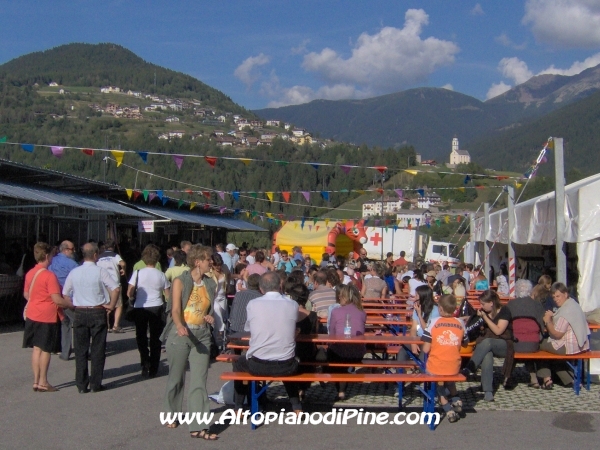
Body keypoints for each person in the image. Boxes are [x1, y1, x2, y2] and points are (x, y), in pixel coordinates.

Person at [162, 245, 218, 439]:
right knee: (176, 378)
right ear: (197, 262)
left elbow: (208, 310)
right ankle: (172, 414)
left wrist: (210, 318)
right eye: (208, 259)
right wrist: (178, 325)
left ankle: (199, 425)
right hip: (180, 335)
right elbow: (175, 309)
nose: (211, 262)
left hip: (202, 335)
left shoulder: (211, 283)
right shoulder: (180, 281)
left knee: (199, 381)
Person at [233, 271, 302, 413]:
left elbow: (248, 328)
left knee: (238, 362)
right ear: (280, 285)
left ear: (261, 288)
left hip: (258, 364)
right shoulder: (292, 304)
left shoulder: (253, 304)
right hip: (286, 365)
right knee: (289, 357)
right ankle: (296, 406)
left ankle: (238, 407)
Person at [63, 242, 120, 393]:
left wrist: (72, 305)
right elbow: (115, 288)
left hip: (80, 311)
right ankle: (96, 383)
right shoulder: (100, 271)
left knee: (81, 350)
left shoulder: (74, 272)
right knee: (98, 349)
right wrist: (112, 305)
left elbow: (65, 293)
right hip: (97, 310)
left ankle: (81, 384)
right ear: (95, 255)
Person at [23, 242, 74, 392]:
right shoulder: (49, 276)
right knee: (46, 349)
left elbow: (26, 294)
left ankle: (35, 380)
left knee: (36, 349)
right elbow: (57, 299)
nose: (53, 257)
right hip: (47, 316)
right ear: (46, 256)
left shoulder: (30, 273)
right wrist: (70, 305)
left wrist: (36, 300)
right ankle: (43, 381)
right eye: (51, 255)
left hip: (32, 314)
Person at [536, 282, 590, 389]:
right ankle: (570, 380)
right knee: (553, 354)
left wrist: (547, 321)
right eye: (554, 297)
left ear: (565, 294)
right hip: (582, 344)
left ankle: (547, 379)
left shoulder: (566, 311)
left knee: (539, 345)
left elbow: (557, 334)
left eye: (558, 296)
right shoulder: (574, 305)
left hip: (568, 346)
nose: (556, 299)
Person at [462, 290, 514, 401]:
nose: (481, 306)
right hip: (487, 345)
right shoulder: (483, 311)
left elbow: (498, 331)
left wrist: (485, 318)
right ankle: (488, 391)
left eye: (483, 304)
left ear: (491, 303)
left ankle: (469, 368)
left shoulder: (504, 311)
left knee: (488, 342)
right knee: (487, 355)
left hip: (504, 343)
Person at [127, 244, 170, 378]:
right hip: (157, 306)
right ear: (157, 259)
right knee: (156, 338)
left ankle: (145, 362)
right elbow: (167, 295)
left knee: (141, 336)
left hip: (141, 306)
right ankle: (154, 366)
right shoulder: (161, 274)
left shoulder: (138, 273)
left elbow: (129, 292)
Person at [421, 294, 465, 423]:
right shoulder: (460, 323)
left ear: (440, 308)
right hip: (454, 366)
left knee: (437, 383)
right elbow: (465, 343)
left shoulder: (434, 322)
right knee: (449, 378)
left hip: (436, 366)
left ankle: (448, 409)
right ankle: (457, 399)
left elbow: (425, 349)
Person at [327, 284, 367, 400]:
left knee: (334, 356)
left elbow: (332, 333)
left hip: (340, 352)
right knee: (341, 355)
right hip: (358, 352)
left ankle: (340, 391)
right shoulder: (362, 312)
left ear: (346, 297)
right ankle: (342, 389)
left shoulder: (335, 311)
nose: (339, 298)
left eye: (341, 296)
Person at [507, 279, 546, 388]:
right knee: (530, 347)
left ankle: (507, 377)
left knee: (514, 349)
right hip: (533, 344)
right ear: (530, 291)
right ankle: (534, 379)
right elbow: (543, 326)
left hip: (515, 344)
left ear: (516, 291)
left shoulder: (510, 304)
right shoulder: (536, 305)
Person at [48, 240, 79, 361]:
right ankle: (83, 350)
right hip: (69, 299)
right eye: (72, 249)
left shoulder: (52, 262)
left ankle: (65, 352)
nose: (74, 251)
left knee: (65, 324)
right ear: (65, 250)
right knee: (78, 324)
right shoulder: (72, 264)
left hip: (56, 297)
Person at [96, 240, 127, 333]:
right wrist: (123, 270)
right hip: (114, 283)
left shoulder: (99, 257)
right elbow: (123, 263)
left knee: (105, 304)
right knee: (119, 305)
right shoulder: (115, 256)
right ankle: (116, 325)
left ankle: (107, 325)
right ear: (113, 246)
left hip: (103, 283)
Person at [407, 285, 440, 359]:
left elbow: (427, 330)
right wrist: (413, 342)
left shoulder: (435, 311)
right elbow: (413, 328)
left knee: (422, 358)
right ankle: (399, 370)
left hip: (429, 341)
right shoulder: (417, 308)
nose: (414, 298)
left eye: (416, 295)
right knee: (402, 353)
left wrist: (419, 315)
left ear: (423, 297)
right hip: (418, 338)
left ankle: (421, 370)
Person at [208, 253, 228, 351]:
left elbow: (230, 277)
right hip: (214, 299)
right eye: (216, 265)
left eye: (219, 265)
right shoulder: (209, 273)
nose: (218, 267)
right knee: (218, 320)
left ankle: (219, 340)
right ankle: (218, 342)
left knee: (222, 318)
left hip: (223, 298)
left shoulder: (224, 271)